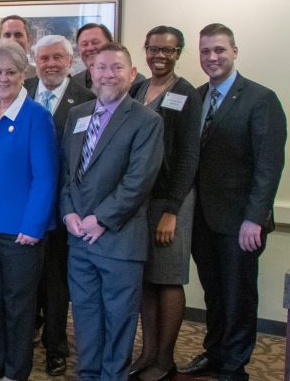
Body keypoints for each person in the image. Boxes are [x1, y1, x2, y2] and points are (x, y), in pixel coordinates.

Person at [179, 24, 287, 381]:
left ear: (235, 51)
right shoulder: (196, 98)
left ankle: (234, 365)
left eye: (220, 50)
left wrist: (255, 218)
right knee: (214, 293)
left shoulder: (261, 98)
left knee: (239, 296)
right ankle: (214, 353)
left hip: (241, 222)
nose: (212, 57)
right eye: (206, 51)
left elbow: (269, 164)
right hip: (202, 219)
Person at [60, 42, 163, 380]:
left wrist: (101, 219)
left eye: (116, 68)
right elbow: (66, 173)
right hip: (79, 240)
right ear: (91, 71)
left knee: (118, 320)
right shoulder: (78, 115)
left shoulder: (147, 121)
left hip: (119, 241)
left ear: (132, 74)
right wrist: (68, 212)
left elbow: (139, 180)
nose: (108, 74)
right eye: (101, 67)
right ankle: (88, 375)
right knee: (86, 317)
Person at [0, 42, 58, 381]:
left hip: (22, 231)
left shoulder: (36, 117)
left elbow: (46, 178)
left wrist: (33, 226)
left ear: (24, 75)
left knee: (19, 306)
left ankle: (15, 372)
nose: (3, 79)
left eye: (11, 72)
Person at [125, 26, 200, 381]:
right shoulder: (138, 88)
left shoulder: (186, 94)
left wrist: (171, 209)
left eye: (168, 51)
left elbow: (188, 156)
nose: (159, 56)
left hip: (172, 202)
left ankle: (165, 360)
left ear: (178, 53)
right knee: (146, 279)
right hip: (141, 200)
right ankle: (148, 352)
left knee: (168, 279)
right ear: (145, 50)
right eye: (154, 49)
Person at [24, 35, 95, 377]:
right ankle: (20, 341)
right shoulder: (19, 89)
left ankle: (56, 347)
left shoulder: (87, 99)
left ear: (71, 62)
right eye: (43, 58)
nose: (50, 64)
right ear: (34, 61)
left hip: (64, 206)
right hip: (22, 204)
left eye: (57, 58)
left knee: (55, 282)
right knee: (24, 278)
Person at [73, 23, 146, 91]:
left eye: (95, 42)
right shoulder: (74, 82)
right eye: (84, 44)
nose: (90, 48)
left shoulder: (136, 81)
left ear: (110, 43)